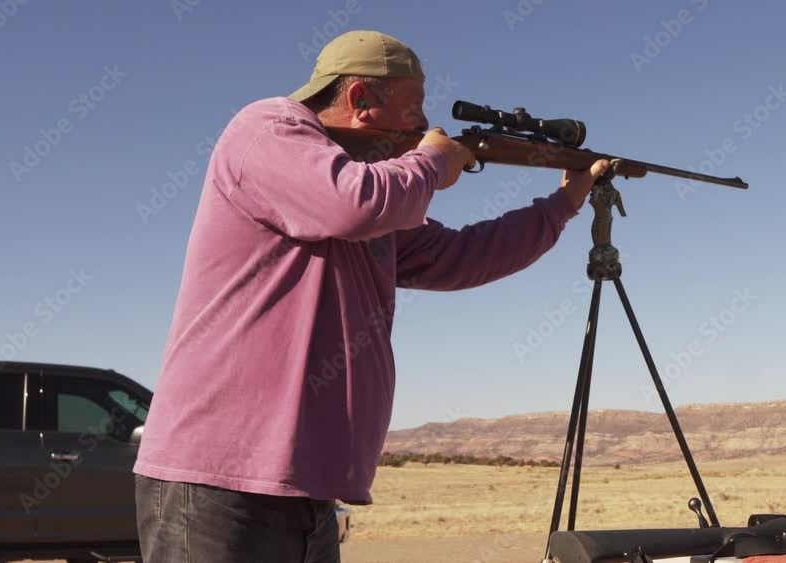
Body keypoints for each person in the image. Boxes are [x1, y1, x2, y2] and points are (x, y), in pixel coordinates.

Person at [132, 29, 608, 562]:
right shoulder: (267, 128)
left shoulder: (363, 192)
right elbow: (355, 204)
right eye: (414, 110)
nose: (424, 127)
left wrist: (566, 199)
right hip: (220, 479)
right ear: (360, 101)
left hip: (305, 484)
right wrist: (432, 162)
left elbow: (463, 256)